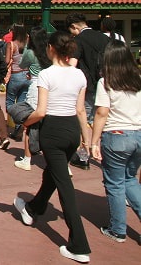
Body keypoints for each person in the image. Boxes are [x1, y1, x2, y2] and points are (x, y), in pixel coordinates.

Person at [13, 31, 91, 263]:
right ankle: (32, 209)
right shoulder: (79, 75)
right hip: (72, 131)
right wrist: (87, 140)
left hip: (53, 130)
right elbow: (80, 110)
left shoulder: (46, 75)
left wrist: (25, 122)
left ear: (51, 48)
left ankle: (79, 244)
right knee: (53, 175)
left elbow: (41, 111)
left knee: (64, 186)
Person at [90, 40, 141, 244]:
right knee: (130, 179)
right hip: (138, 133)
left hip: (116, 134)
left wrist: (94, 141)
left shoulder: (106, 82)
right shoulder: (138, 80)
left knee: (114, 183)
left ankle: (118, 229)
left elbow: (102, 113)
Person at [67, 13, 110, 170]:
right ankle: (105, 151)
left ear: (74, 27)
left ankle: (83, 155)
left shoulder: (78, 40)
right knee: (103, 119)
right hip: (107, 83)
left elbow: (72, 64)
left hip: (87, 85)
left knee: (82, 118)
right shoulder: (105, 38)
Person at [14, 27, 52, 171]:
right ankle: (59, 161)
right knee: (49, 123)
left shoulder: (30, 52)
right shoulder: (50, 51)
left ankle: (27, 158)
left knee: (30, 122)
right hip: (51, 87)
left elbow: (22, 64)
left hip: (36, 86)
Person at [6, 23, 31, 138]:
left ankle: (16, 123)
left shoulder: (11, 45)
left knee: (10, 103)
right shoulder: (28, 45)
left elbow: (7, 61)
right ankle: (19, 126)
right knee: (21, 103)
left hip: (15, 75)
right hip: (27, 75)